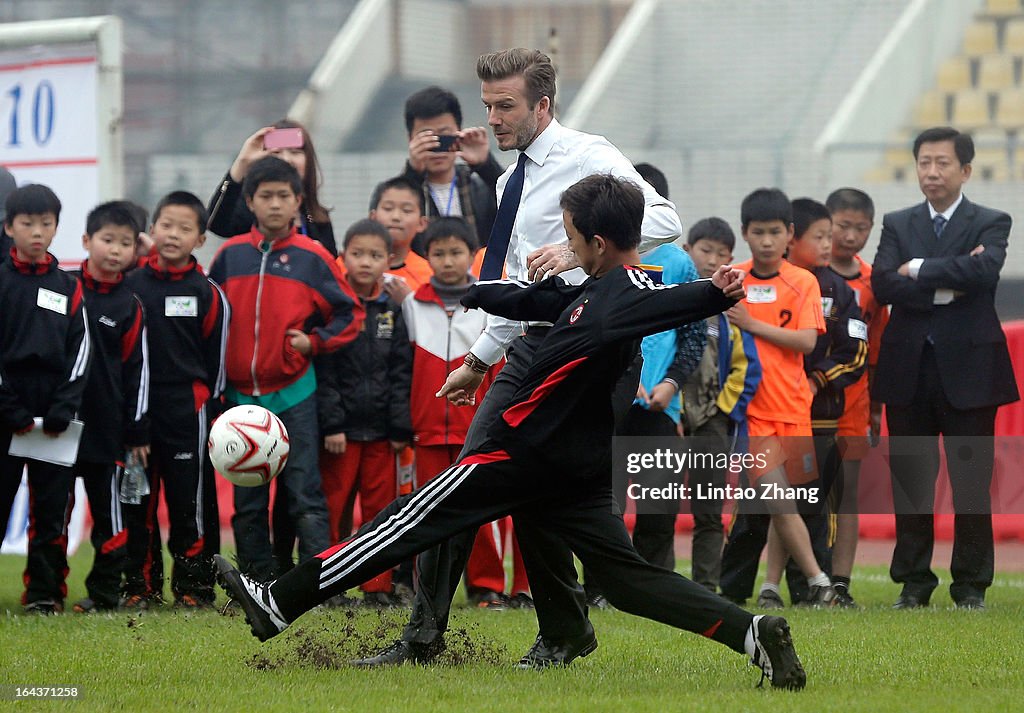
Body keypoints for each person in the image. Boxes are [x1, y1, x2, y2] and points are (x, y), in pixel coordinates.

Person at [215, 174, 806, 691]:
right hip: (574, 467)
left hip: (520, 454)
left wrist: (711, 294)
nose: (564, 248)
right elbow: (553, 299)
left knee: (400, 524)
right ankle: (751, 632)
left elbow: (665, 308)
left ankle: (278, 603)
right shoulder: (624, 283)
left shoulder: (615, 301)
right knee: (631, 582)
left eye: (571, 238)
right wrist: (472, 292)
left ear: (597, 244)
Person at [353, 47, 683, 669]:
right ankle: (519, 632)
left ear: (542, 105)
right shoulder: (509, 182)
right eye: (488, 105)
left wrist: (572, 249)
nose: (494, 118)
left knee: (510, 488)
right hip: (532, 351)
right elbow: (513, 288)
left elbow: (664, 216)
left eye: (505, 106)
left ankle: (556, 627)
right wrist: (479, 361)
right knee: (482, 480)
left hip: (592, 356)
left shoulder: (589, 154)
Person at [872, 126, 1018, 610]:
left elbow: (984, 273)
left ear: (966, 170)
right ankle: (914, 582)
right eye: (924, 162)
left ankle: (970, 585)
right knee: (912, 478)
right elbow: (884, 285)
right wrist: (945, 278)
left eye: (942, 163)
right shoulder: (897, 222)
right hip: (908, 366)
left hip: (971, 370)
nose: (931, 172)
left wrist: (917, 269)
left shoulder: (992, 220)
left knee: (970, 482)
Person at [208, 156, 364, 583]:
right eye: (265, 196)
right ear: (250, 201)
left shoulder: (313, 256)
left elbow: (350, 315)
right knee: (248, 500)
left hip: (295, 392)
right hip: (240, 400)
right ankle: (255, 583)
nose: (275, 204)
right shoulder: (228, 255)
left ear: (298, 201)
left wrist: (312, 343)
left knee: (305, 494)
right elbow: (211, 318)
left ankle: (318, 583)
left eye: (283, 196)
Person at [718, 188, 836, 608]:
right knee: (779, 500)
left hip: (795, 409)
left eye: (774, 232)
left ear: (789, 234)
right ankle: (819, 581)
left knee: (785, 505)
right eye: (757, 232)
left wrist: (750, 323)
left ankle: (770, 586)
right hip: (753, 414)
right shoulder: (734, 279)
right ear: (745, 233)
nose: (766, 241)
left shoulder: (803, 281)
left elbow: (806, 342)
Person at [403, 216, 529, 609]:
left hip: (475, 429)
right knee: (424, 514)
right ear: (427, 257)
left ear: (472, 256)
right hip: (426, 430)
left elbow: (499, 364)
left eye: (456, 252)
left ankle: (486, 587)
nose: (447, 260)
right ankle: (426, 589)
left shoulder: (489, 304)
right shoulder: (411, 304)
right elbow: (401, 369)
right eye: (438, 253)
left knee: (481, 514)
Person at [122, 191, 227, 608]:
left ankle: (194, 588)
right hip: (137, 411)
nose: (173, 234)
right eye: (166, 225)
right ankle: (139, 588)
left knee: (191, 503)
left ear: (200, 240)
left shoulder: (208, 293)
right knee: (139, 501)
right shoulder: (130, 287)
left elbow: (216, 362)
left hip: (188, 411)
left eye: (185, 229)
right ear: (151, 230)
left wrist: (208, 409)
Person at [762, 198, 866, 607]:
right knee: (763, 508)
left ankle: (819, 588)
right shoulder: (758, 283)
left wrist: (817, 379)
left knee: (813, 506)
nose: (831, 243)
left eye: (830, 235)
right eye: (820, 236)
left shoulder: (840, 290)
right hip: (767, 414)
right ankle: (751, 586)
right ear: (793, 238)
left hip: (821, 418)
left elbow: (855, 351)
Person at [0, 184, 90, 614]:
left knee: (52, 509)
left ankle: (43, 593)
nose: (37, 232)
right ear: (8, 227)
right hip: (6, 408)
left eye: (46, 223)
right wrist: (8, 405)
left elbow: (81, 348)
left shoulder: (68, 286)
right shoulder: (1, 280)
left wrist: (64, 405)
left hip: (54, 414)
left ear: (56, 227)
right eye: (27, 223)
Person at [316, 218, 413, 606]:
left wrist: (399, 426)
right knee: (333, 510)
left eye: (375, 255)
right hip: (340, 435)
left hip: (382, 435)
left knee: (379, 515)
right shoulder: (332, 309)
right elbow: (325, 371)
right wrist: (332, 423)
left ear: (388, 260)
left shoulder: (393, 311)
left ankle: (377, 588)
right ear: (343, 257)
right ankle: (327, 585)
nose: (366, 263)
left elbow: (401, 371)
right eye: (357, 254)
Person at [70, 202, 150, 613]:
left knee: (111, 518)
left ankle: (103, 594)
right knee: (52, 514)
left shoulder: (130, 305)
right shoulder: (64, 288)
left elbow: (139, 371)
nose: (115, 250)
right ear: (86, 241)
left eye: (125, 243)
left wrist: (136, 431)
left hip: (108, 430)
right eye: (107, 240)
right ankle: (44, 595)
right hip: (59, 424)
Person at [680, 217, 762, 592]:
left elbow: (748, 368)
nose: (713, 260)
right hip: (668, 413)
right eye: (705, 251)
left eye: (722, 254)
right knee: (655, 507)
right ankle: (651, 583)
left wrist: (723, 410)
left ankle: (706, 587)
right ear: (687, 251)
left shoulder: (730, 306)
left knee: (710, 511)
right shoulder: (670, 295)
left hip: (712, 420)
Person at [826, 187, 888, 607]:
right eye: (842, 226)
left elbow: (877, 349)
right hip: (807, 398)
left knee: (846, 494)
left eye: (860, 228)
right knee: (801, 489)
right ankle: (796, 576)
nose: (851, 236)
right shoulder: (804, 273)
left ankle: (841, 581)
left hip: (855, 400)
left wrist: (877, 409)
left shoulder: (872, 283)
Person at [207, 119, 336, 256]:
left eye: (295, 152)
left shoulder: (316, 218)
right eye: (276, 153)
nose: (287, 159)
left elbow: (333, 270)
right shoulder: (251, 210)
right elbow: (215, 222)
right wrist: (242, 162)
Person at [400, 86, 501, 254]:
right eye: (427, 138)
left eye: (444, 136)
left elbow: (518, 206)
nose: (438, 146)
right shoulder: (396, 193)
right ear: (410, 139)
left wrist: (485, 165)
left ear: (459, 133)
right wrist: (413, 174)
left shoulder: (482, 187)